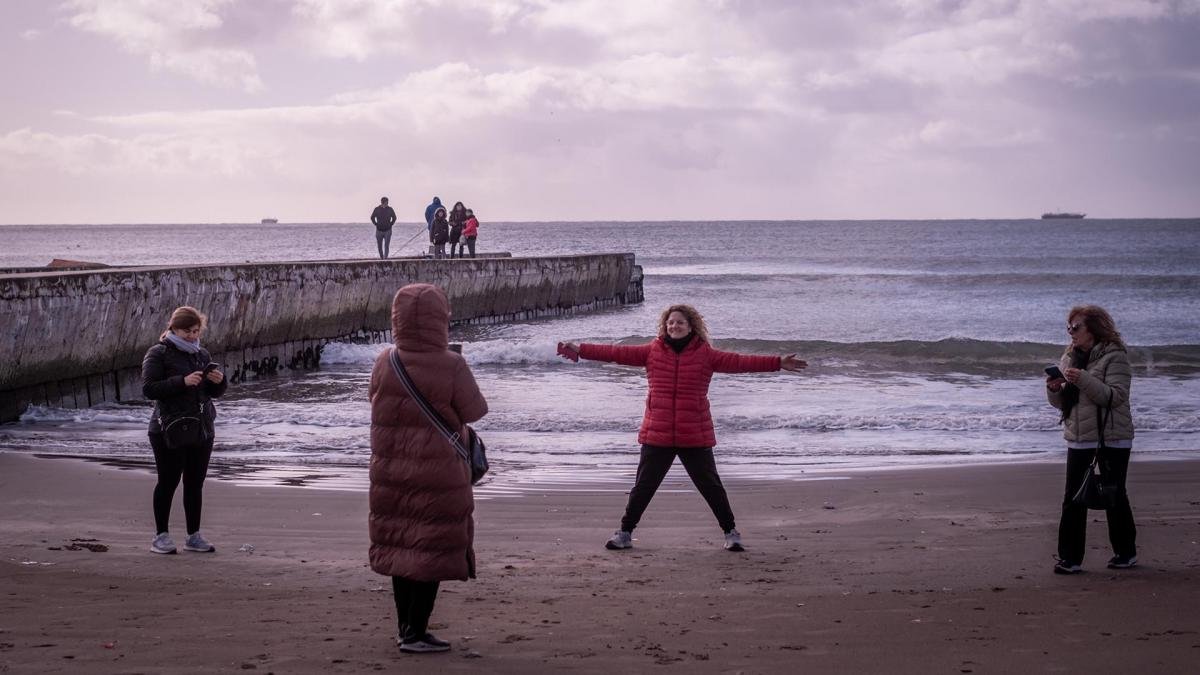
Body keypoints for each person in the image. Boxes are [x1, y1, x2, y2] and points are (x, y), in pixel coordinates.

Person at [559, 304, 806, 552]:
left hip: (694, 432)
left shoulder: (706, 354)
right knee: (643, 487)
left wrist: (777, 362)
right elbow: (616, 353)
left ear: (691, 326)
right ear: (665, 326)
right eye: (671, 322)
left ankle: (731, 533)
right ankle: (624, 533)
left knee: (711, 487)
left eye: (680, 322)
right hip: (658, 432)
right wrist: (581, 349)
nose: (674, 326)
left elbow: (740, 362)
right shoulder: (652, 351)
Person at [368, 283, 488, 653]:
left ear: (398, 319)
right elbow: (475, 411)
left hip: (391, 469)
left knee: (402, 548)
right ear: (440, 320)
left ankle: (406, 628)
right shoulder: (451, 363)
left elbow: (373, 401)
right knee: (430, 549)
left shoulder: (385, 359)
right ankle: (417, 633)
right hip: (438, 472)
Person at [1046, 305, 1136, 575]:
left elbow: (1115, 396)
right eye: (1069, 328)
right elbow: (1063, 403)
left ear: (1093, 329)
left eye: (1077, 327)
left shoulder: (1115, 356)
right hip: (1079, 437)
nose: (1071, 333)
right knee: (1073, 496)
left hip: (1112, 437)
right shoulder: (1069, 356)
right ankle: (1070, 558)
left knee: (1113, 493)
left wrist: (1083, 379)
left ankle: (1125, 552)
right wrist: (1054, 390)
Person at [141, 306, 228, 555]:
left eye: (196, 331)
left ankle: (194, 536)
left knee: (194, 483)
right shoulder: (158, 353)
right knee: (168, 482)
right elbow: (149, 389)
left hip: (201, 427)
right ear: (173, 329)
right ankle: (161, 536)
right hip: (168, 428)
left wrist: (219, 382)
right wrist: (182, 381)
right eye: (187, 331)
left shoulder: (201, 354)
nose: (192, 335)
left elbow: (212, 394)